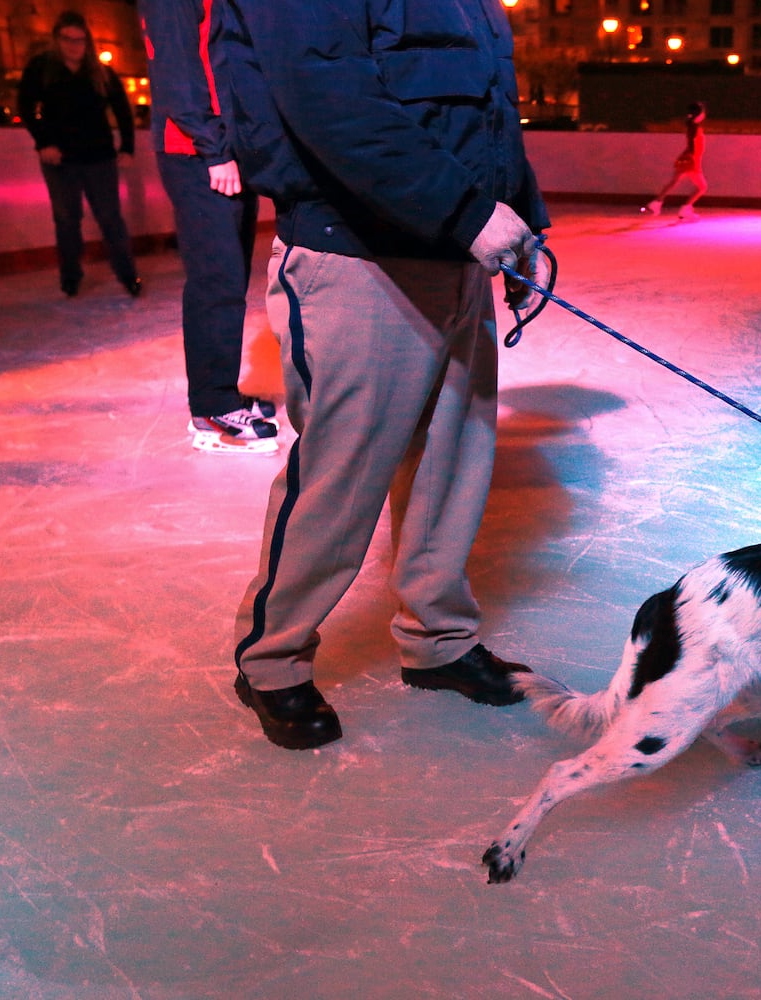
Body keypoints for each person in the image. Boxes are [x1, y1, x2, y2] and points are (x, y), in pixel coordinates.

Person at [211, 0, 551, 749]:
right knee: (345, 467)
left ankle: (439, 640)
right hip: (356, 251)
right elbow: (329, 99)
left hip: (452, 248)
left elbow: (491, 107)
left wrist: (524, 219)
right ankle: (271, 661)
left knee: (450, 463)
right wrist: (466, 212)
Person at [139, 0, 278, 453]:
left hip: (222, 145)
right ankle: (210, 408)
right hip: (196, 152)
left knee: (230, 277)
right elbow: (179, 74)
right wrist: (214, 149)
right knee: (216, 278)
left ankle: (220, 390)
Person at [17, 11, 141, 299]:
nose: (74, 45)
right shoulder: (41, 68)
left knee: (110, 217)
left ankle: (127, 275)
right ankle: (70, 278)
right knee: (66, 219)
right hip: (60, 159)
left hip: (99, 156)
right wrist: (43, 142)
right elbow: (25, 106)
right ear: (57, 40)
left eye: (80, 40)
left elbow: (123, 110)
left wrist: (127, 147)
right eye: (68, 39)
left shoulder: (100, 72)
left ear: (88, 42)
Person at [641, 102, 708, 221]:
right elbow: (693, 144)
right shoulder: (695, 128)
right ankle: (685, 208)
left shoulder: (692, 126)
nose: (704, 114)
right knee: (702, 187)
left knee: (674, 182)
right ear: (698, 114)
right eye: (702, 112)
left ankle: (656, 203)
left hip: (687, 158)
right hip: (692, 159)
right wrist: (692, 158)